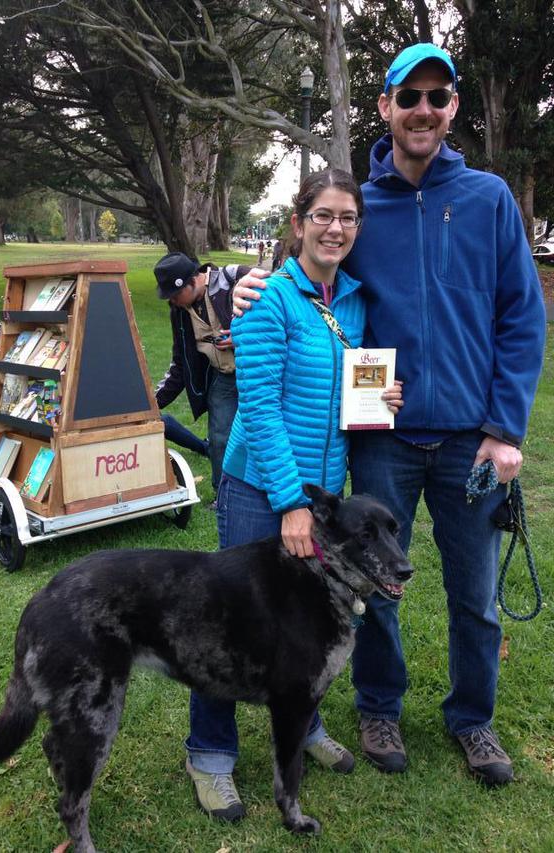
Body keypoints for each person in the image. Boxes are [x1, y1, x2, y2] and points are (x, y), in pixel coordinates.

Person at [232, 43, 546, 786]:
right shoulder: (362, 207)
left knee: (474, 594)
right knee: (373, 585)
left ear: (453, 108)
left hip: (472, 438)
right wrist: (246, 285)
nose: (424, 111)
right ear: (385, 107)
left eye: (439, 97)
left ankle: (473, 719)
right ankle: (379, 704)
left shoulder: (489, 199)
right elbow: (311, 265)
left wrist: (504, 429)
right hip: (384, 439)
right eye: (411, 96)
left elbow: (521, 319)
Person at [184, 168, 404, 821]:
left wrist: (378, 400)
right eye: (323, 215)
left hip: (325, 493)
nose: (335, 228)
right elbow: (262, 405)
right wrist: (291, 503)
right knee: (231, 619)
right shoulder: (266, 300)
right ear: (298, 222)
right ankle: (211, 752)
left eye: (347, 218)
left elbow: (345, 395)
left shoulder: (353, 303)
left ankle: (302, 724)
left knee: (309, 622)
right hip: (263, 488)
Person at [154, 252, 249, 497]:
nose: (173, 301)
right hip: (224, 377)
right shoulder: (179, 312)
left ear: (193, 281)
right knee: (219, 439)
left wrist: (242, 337)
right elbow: (179, 364)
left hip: (259, 374)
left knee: (266, 434)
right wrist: (151, 404)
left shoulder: (236, 278)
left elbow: (282, 318)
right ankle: (223, 496)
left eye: (175, 295)